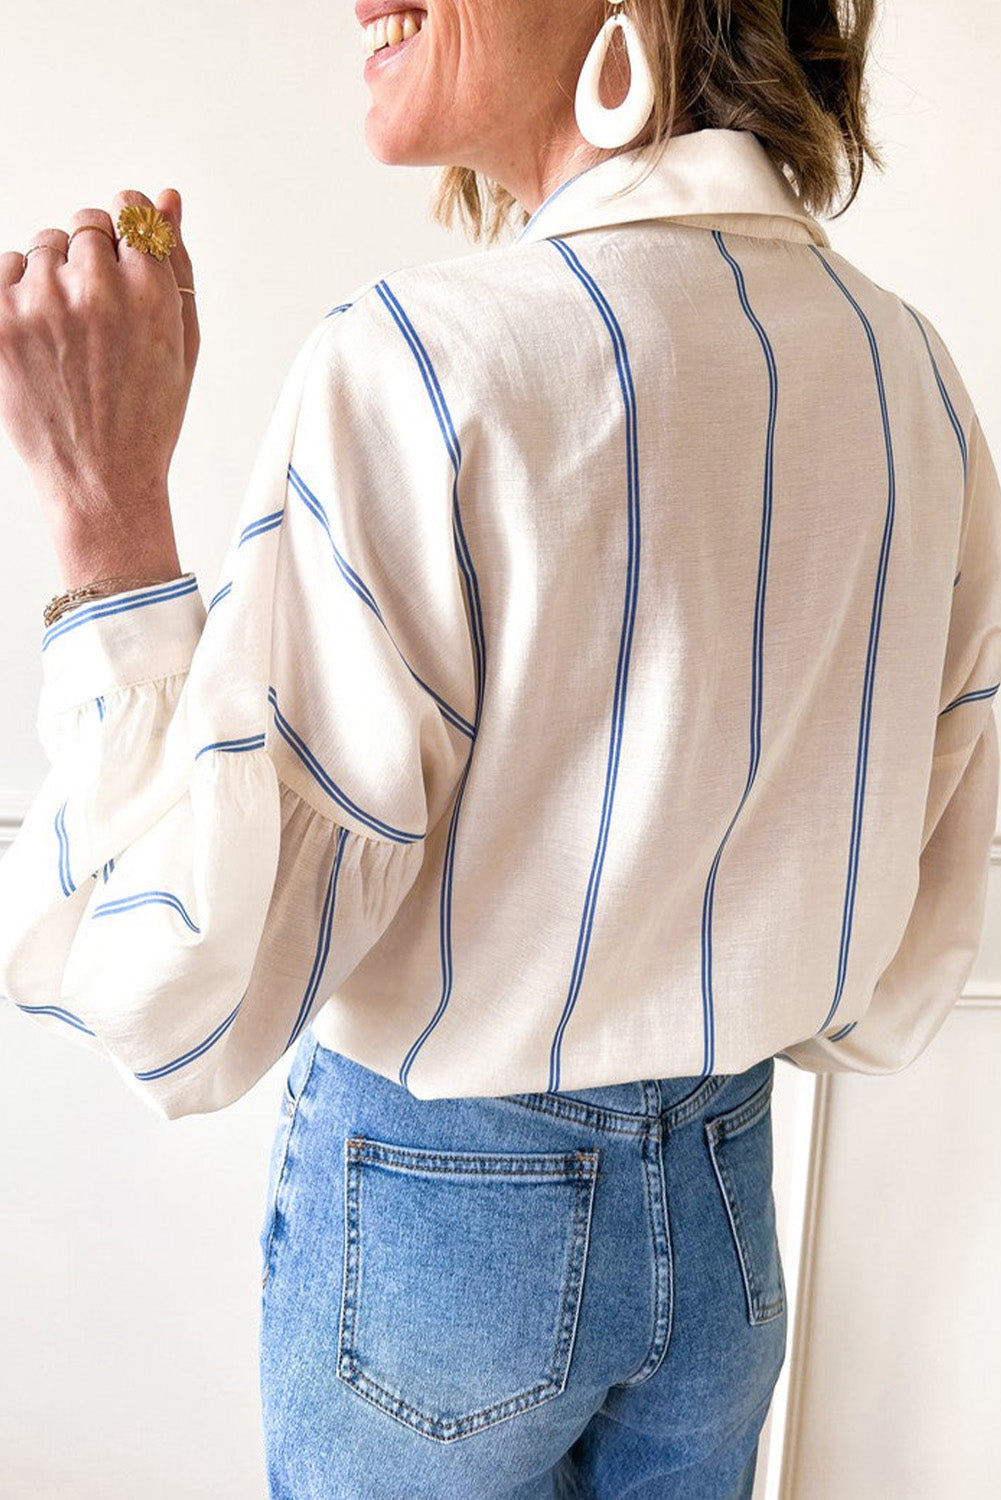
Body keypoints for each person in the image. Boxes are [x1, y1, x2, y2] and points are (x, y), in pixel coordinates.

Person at [1, 1, 998, 1495]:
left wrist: (106, 519)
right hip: (728, 1202)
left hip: (441, 1223)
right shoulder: (907, 371)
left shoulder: (422, 362)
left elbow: (178, 999)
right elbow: (920, 918)